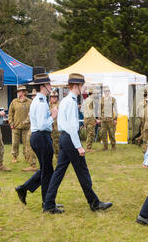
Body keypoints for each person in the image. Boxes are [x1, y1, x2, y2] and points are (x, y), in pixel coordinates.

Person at [43, 73, 113, 214]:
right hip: (70, 139)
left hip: (65, 138)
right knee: (82, 172)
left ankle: (49, 203)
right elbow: (72, 127)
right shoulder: (71, 102)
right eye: (83, 85)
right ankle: (94, 203)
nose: (84, 87)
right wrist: (79, 146)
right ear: (76, 86)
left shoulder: (66, 101)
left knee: (59, 172)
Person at [14, 74, 58, 207]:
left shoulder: (40, 100)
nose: (51, 86)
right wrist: (53, 116)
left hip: (39, 136)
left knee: (46, 169)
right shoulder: (40, 102)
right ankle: (47, 203)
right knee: (47, 171)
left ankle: (25, 188)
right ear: (42, 86)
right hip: (41, 136)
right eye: (48, 84)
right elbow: (42, 124)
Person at [8, 85, 31, 164]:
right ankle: (14, 156)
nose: (18, 93)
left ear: (24, 92)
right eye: (18, 91)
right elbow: (10, 113)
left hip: (26, 126)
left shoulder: (29, 102)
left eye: (20, 91)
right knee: (15, 143)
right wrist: (11, 123)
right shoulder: (14, 102)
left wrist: (29, 122)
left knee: (27, 143)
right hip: (16, 126)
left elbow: (31, 114)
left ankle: (27, 157)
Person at [99, 86, 118, 151]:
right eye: (105, 91)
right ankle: (105, 147)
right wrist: (99, 118)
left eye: (107, 91)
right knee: (103, 134)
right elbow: (99, 109)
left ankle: (113, 147)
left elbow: (116, 109)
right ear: (104, 92)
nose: (106, 92)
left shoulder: (113, 99)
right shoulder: (101, 99)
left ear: (109, 92)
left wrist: (115, 119)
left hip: (110, 120)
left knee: (111, 134)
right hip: (103, 120)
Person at [83, 88, 99, 152]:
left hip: (87, 119)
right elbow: (91, 112)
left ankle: (88, 147)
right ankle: (88, 148)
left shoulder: (87, 99)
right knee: (91, 134)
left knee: (90, 133)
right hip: (90, 119)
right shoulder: (91, 100)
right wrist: (94, 120)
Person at [49, 90, 61, 162]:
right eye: (52, 97)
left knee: (57, 144)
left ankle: (58, 158)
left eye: (55, 97)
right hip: (49, 128)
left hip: (57, 128)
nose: (53, 98)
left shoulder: (60, 105)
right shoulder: (48, 105)